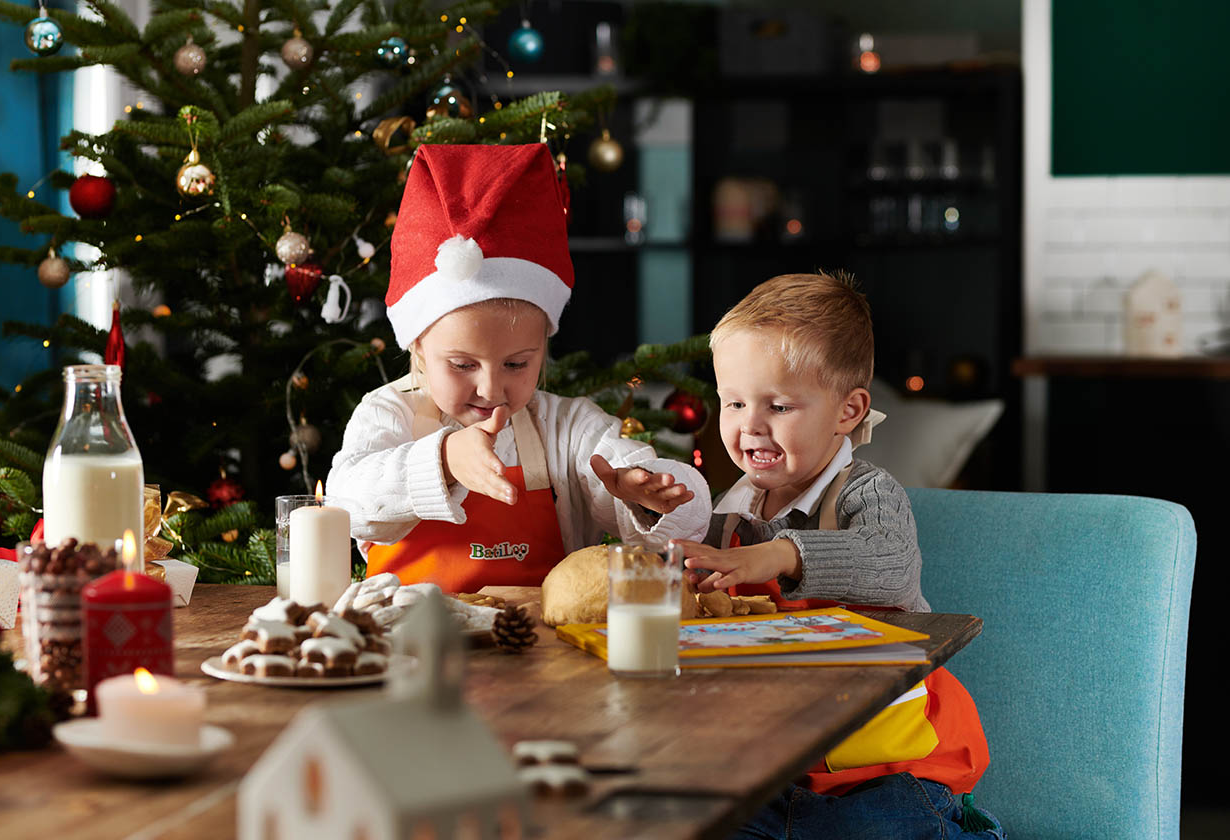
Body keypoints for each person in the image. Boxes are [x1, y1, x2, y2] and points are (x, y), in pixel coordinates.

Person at [676, 272, 1005, 840]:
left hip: (886, 767)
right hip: (778, 767)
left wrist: (779, 555)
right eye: (732, 401)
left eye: (778, 405)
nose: (748, 424)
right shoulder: (728, 509)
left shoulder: (866, 493)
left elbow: (891, 560)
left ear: (848, 411)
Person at [326, 143, 710, 592]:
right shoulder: (389, 413)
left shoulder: (566, 428)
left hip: (541, 649)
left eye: (515, 363)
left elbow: (681, 518)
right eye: (463, 364)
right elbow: (347, 504)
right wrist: (444, 460)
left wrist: (649, 493)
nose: (491, 388)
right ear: (418, 346)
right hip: (408, 644)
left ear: (542, 349)